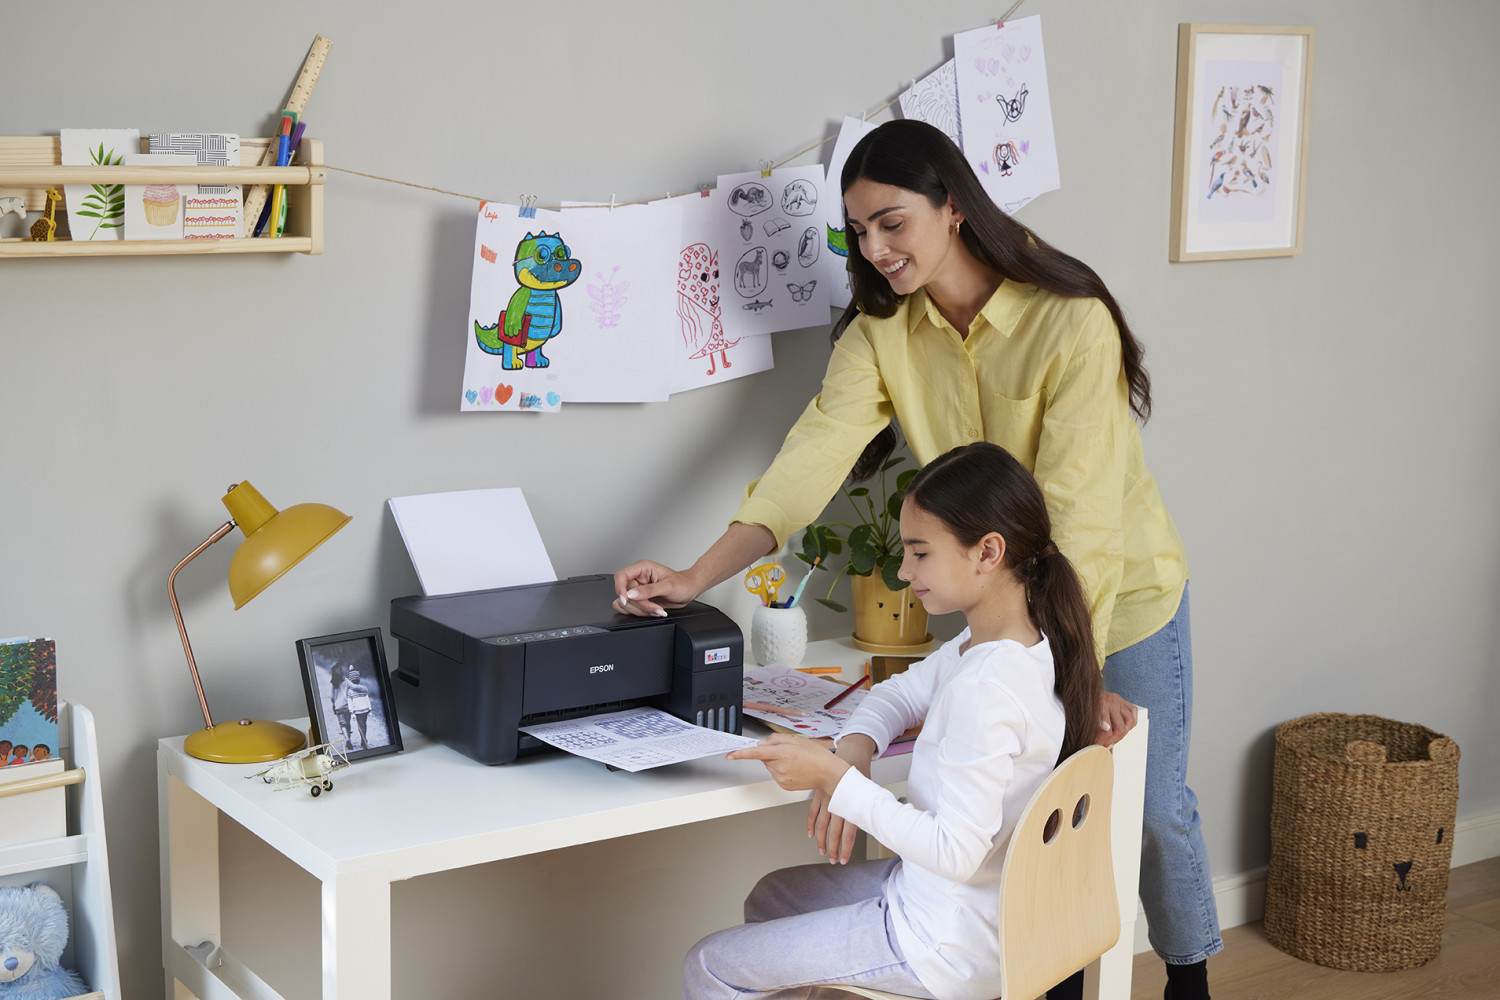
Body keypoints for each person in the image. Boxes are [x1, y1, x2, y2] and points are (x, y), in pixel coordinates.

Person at [615, 119, 1219, 999]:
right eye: (859, 232)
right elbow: (807, 465)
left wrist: (1070, 676)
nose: (876, 249)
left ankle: (1191, 979)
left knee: (1147, 811)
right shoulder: (880, 331)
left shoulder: (1069, 322)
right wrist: (694, 577)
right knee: (1025, 835)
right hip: (1003, 615)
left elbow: (1083, 526)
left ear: (954, 207)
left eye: (892, 222)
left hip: (1116, 601)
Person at [684, 441, 1101, 999]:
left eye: (920, 553)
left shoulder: (986, 689)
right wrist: (855, 743)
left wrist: (837, 781)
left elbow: (955, 852)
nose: (903, 571)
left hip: (943, 940)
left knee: (709, 963)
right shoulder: (1010, 644)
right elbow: (900, 691)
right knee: (771, 898)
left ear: (988, 551)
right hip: (950, 902)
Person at [342, 669, 373, 750]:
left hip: (360, 711)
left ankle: (364, 741)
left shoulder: (351, 691)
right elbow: (367, 699)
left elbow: (350, 703)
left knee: (361, 726)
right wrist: (370, 709)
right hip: (364, 710)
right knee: (363, 726)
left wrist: (352, 712)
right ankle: (364, 740)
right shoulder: (363, 688)